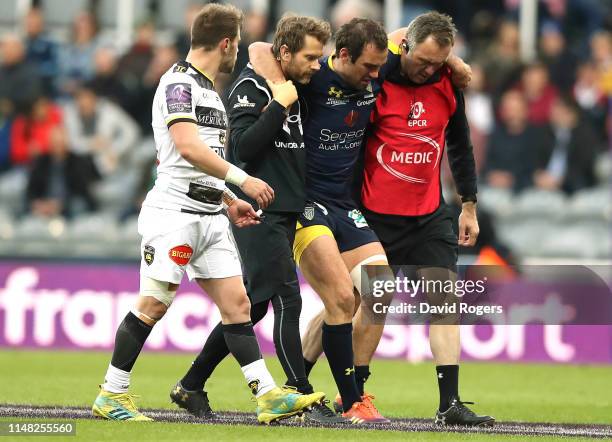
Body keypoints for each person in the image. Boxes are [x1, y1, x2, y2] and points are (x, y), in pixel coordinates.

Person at [92, 4, 323, 423]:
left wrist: (228, 200)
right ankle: (112, 392)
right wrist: (243, 181)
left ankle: (267, 395)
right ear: (226, 43)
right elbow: (187, 148)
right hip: (175, 214)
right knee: (154, 304)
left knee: (237, 304)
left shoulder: (209, 90)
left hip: (211, 214)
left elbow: (203, 160)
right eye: (236, 41)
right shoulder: (178, 84)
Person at [249, 18, 471, 423]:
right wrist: (279, 87)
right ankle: (330, 396)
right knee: (339, 300)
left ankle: (324, 392)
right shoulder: (312, 78)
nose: (376, 77)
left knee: (378, 290)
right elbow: (259, 49)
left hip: (344, 203)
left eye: (379, 67)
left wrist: (450, 60)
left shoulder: (379, 64)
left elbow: (409, 35)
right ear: (344, 56)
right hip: (306, 203)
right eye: (369, 68)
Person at [169, 14, 343, 424]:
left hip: (285, 211)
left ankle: (191, 385)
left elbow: (262, 49)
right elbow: (243, 148)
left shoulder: (292, 81)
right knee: (289, 297)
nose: (316, 66)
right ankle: (300, 394)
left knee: (253, 307)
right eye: (310, 57)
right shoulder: (250, 88)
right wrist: (278, 105)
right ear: (286, 53)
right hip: (257, 210)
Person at [358, 11, 494, 426]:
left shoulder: (448, 86)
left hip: (428, 214)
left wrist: (468, 204)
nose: (429, 69)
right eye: (424, 61)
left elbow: (460, 146)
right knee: (366, 304)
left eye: (440, 62)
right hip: (374, 215)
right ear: (404, 48)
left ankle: (448, 404)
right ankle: (348, 393)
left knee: (445, 302)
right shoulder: (377, 76)